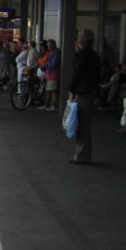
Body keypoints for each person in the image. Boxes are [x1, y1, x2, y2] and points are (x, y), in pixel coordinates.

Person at [67, 29, 101, 164]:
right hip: (90, 92)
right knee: (84, 124)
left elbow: (77, 73)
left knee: (82, 125)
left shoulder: (83, 56)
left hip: (83, 93)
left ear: (80, 42)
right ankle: (82, 154)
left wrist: (71, 90)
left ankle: (81, 156)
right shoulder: (94, 55)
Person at [41, 39, 61, 111]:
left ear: (53, 45)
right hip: (49, 74)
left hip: (53, 74)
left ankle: (53, 106)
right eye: (48, 45)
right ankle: (48, 105)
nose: (48, 46)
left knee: (52, 91)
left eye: (50, 45)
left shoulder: (56, 53)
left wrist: (45, 66)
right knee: (49, 90)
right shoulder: (51, 52)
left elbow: (53, 64)